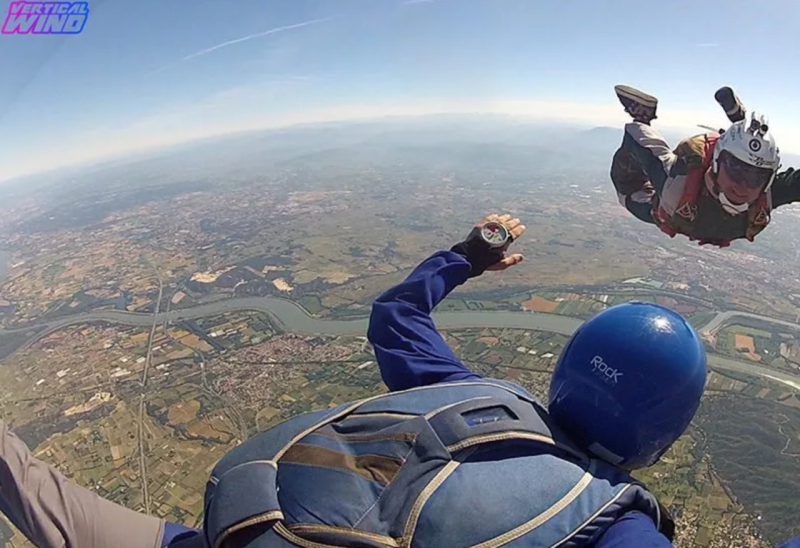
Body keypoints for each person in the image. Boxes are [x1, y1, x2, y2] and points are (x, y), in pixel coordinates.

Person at [0, 213, 795, 547]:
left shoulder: (475, 400)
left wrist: (468, 255)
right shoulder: (613, 527)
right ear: (664, 430)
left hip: (225, 536)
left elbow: (392, 320)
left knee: (30, 486)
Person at [610, 85, 800, 248]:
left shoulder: (765, 195)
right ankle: (644, 114)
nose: (742, 187)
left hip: (690, 205)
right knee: (629, 192)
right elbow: (638, 138)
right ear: (716, 162)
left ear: (768, 181)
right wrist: (640, 121)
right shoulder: (676, 184)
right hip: (684, 187)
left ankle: (741, 124)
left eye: (757, 178)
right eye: (735, 172)